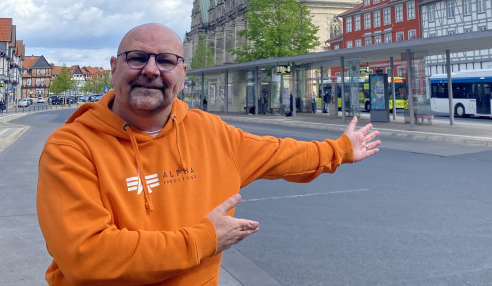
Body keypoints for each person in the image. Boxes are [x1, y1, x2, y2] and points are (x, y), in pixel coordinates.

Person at [36, 23, 380, 285]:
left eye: (166, 61)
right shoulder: (71, 147)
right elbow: (86, 256)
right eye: (138, 58)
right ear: (114, 67)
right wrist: (206, 238)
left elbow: (279, 154)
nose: (152, 70)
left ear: (183, 75)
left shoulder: (208, 131)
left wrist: (341, 150)